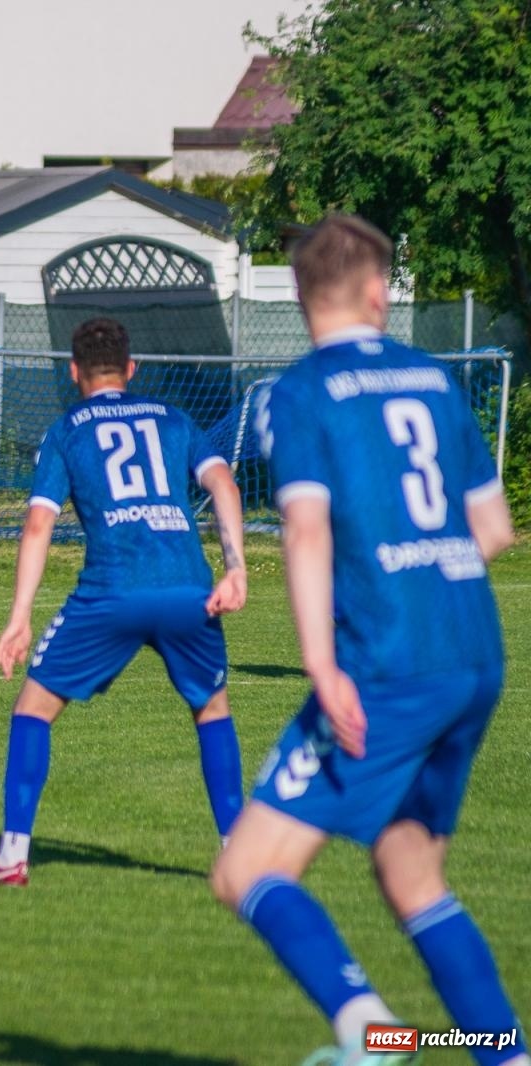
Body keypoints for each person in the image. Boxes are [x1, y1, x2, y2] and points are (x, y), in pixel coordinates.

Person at [209, 215, 525, 1066]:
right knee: (412, 876)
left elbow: (306, 531)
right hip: (473, 653)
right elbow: (492, 528)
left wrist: (322, 664)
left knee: (245, 871)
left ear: (302, 294)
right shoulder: (431, 375)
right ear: (380, 293)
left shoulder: (301, 392)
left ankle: (372, 1037)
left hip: (386, 662)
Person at [0, 317, 249, 888]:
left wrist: (19, 619)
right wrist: (236, 567)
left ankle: (13, 856)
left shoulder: (67, 430)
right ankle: (238, 854)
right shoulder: (173, 419)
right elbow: (225, 485)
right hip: (188, 589)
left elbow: (38, 524)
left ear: (73, 372)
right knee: (212, 712)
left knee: (33, 711)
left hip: (112, 592)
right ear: (131, 369)